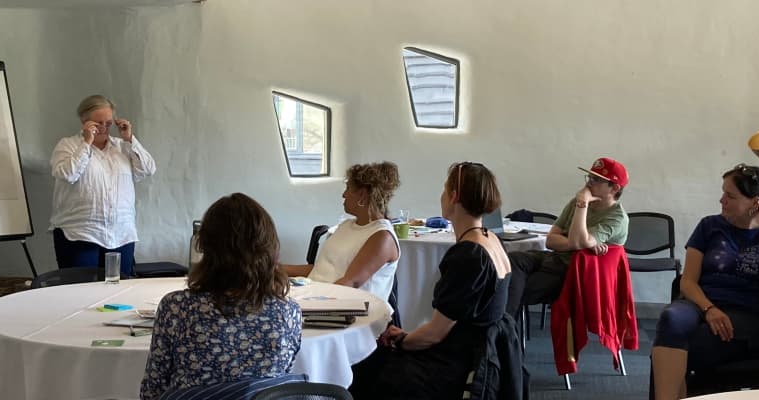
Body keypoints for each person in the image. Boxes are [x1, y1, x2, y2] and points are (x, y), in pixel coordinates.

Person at [349, 162, 520, 400]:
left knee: (375, 367)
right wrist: (407, 335)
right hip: (482, 351)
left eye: (444, 189)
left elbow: (435, 334)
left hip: (461, 361)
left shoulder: (469, 255)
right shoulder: (492, 240)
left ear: (454, 196)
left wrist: (402, 341)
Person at [650, 164, 759, 400]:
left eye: (730, 196)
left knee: (681, 346)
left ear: (755, 202)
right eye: (723, 193)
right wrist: (709, 309)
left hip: (749, 315)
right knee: (670, 321)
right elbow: (687, 282)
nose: (722, 200)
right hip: (702, 302)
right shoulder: (709, 226)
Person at [140, 193, 302, 400]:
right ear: (269, 247)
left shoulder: (176, 307)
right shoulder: (288, 311)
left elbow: (152, 390)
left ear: (205, 247)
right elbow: (281, 385)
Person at [504, 157, 630, 316]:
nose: (589, 182)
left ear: (614, 188)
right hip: (554, 258)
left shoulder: (616, 218)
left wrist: (582, 203)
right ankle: (504, 328)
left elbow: (576, 242)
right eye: (589, 177)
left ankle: (503, 332)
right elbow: (551, 240)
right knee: (512, 259)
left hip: (572, 273)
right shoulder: (575, 203)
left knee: (509, 290)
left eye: (597, 179)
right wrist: (584, 242)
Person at [49, 95, 156, 276]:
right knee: (81, 291)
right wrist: (86, 143)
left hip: (121, 233)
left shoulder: (122, 146)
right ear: (85, 122)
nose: (104, 128)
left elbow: (147, 169)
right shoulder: (67, 145)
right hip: (80, 233)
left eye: (108, 123)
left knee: (119, 292)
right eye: (98, 124)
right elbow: (68, 174)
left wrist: (129, 138)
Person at [284, 162, 401, 304]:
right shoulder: (345, 226)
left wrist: (302, 299)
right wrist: (276, 269)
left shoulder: (382, 237)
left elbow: (349, 284)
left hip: (346, 310)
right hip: (319, 296)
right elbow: (320, 270)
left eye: (348, 188)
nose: (343, 194)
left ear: (362, 195)